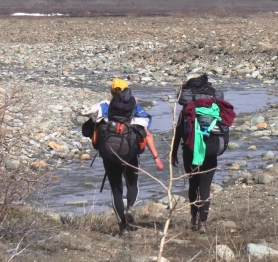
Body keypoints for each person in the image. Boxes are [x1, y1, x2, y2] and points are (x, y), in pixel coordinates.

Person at [84, 79, 164, 235]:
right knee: (132, 184)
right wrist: (156, 157)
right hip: (130, 154)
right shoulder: (134, 107)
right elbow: (147, 133)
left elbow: (86, 119)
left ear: (112, 91)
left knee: (116, 190)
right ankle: (131, 209)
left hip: (109, 154)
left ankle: (122, 227)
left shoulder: (104, 106)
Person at [171, 74, 235, 233]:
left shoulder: (188, 107)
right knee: (205, 186)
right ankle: (203, 222)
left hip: (190, 149)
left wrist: (173, 153)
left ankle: (194, 219)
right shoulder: (215, 104)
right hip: (212, 148)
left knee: (193, 184)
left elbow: (178, 131)